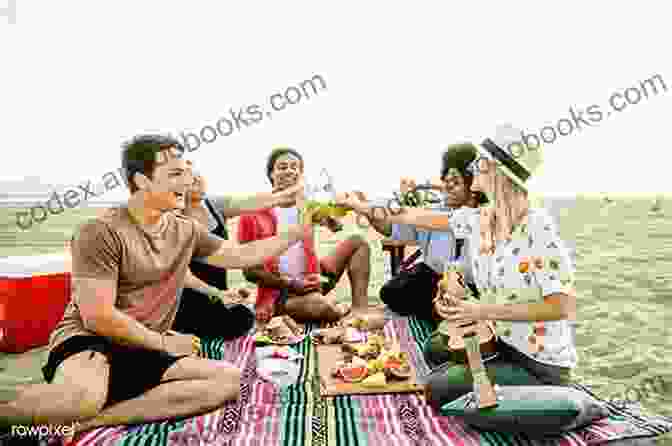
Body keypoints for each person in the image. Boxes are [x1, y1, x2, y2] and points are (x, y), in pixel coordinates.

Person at [0, 134, 312, 433]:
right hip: (91, 341)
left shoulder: (184, 229)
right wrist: (163, 343)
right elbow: (98, 316)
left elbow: (240, 254)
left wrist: (294, 234)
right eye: (175, 173)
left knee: (231, 382)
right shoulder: (98, 231)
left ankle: (91, 423)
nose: (187, 181)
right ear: (141, 180)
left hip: (143, 346)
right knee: (81, 401)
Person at [337, 124, 577, 409]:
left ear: (494, 171)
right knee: (435, 350)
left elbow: (563, 307)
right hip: (500, 341)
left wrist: (480, 311)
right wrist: (362, 206)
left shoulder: (538, 228)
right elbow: (411, 215)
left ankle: (558, 398)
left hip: (537, 363)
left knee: (436, 389)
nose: (473, 168)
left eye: (478, 163)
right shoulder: (480, 218)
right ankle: (492, 379)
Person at [237, 147, 372, 324]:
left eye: (295, 167)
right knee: (325, 308)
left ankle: (359, 311)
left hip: (313, 279)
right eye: (282, 167)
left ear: (301, 175)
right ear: (271, 174)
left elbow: (334, 222)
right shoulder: (252, 212)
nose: (289, 171)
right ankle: (335, 308)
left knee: (358, 242)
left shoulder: (306, 206)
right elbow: (250, 272)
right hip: (282, 292)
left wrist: (333, 219)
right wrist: (291, 283)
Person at [360, 143, 488, 321]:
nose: (448, 187)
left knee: (453, 301)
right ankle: (436, 310)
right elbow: (391, 228)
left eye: (456, 182)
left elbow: (403, 214)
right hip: (433, 278)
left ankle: (440, 312)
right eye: (446, 180)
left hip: (472, 285)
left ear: (473, 186)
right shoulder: (435, 210)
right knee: (392, 292)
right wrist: (369, 213)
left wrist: (361, 206)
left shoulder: (483, 215)